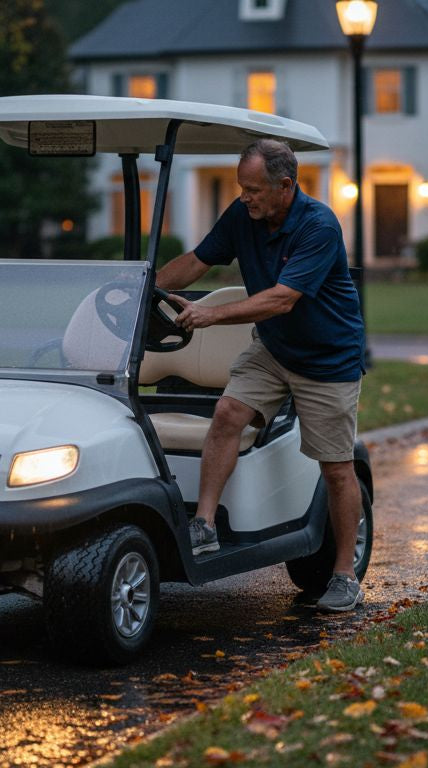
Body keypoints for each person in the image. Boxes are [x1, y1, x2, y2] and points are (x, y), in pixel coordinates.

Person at [155, 138, 367, 612]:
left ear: (285, 185)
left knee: (335, 466)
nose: (245, 196)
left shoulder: (318, 225)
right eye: (241, 188)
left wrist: (213, 315)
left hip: (327, 359)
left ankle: (345, 574)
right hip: (274, 347)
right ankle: (204, 525)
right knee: (228, 412)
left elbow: (281, 298)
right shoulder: (242, 216)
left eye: (253, 189)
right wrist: (143, 286)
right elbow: (196, 262)